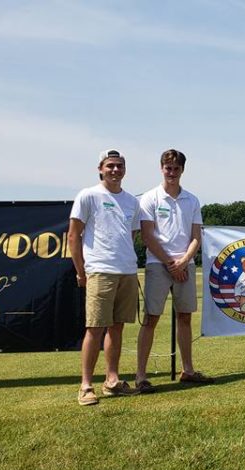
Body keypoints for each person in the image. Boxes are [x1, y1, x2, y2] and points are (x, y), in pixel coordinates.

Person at [135, 149, 212, 392]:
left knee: (185, 318)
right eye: (168, 168)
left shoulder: (192, 200)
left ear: (182, 170)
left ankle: (187, 370)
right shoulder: (149, 198)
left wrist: (184, 261)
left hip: (186, 265)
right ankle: (140, 376)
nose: (171, 172)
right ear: (161, 168)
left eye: (176, 168)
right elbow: (147, 236)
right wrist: (171, 263)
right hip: (158, 264)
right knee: (151, 319)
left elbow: (196, 237)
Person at [69, 149, 141, 406]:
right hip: (99, 270)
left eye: (120, 165)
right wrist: (81, 271)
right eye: (110, 165)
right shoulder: (87, 195)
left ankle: (112, 381)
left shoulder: (133, 201)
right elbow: (73, 236)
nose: (115, 170)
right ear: (100, 168)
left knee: (117, 327)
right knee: (95, 328)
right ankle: (86, 386)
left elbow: (130, 236)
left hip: (127, 271)